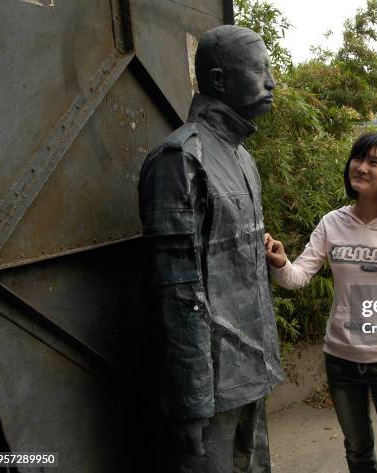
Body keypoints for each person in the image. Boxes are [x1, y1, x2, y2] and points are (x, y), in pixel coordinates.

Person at [137, 25, 285, 473]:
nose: (272, 81)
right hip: (213, 387)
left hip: (251, 372)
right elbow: (177, 292)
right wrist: (192, 399)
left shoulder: (241, 158)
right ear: (219, 80)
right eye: (260, 70)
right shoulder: (181, 159)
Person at [265, 133, 377, 473]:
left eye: (374, 162)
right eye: (358, 158)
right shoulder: (333, 222)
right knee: (357, 451)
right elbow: (298, 277)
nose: (361, 167)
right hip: (341, 358)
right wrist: (281, 263)